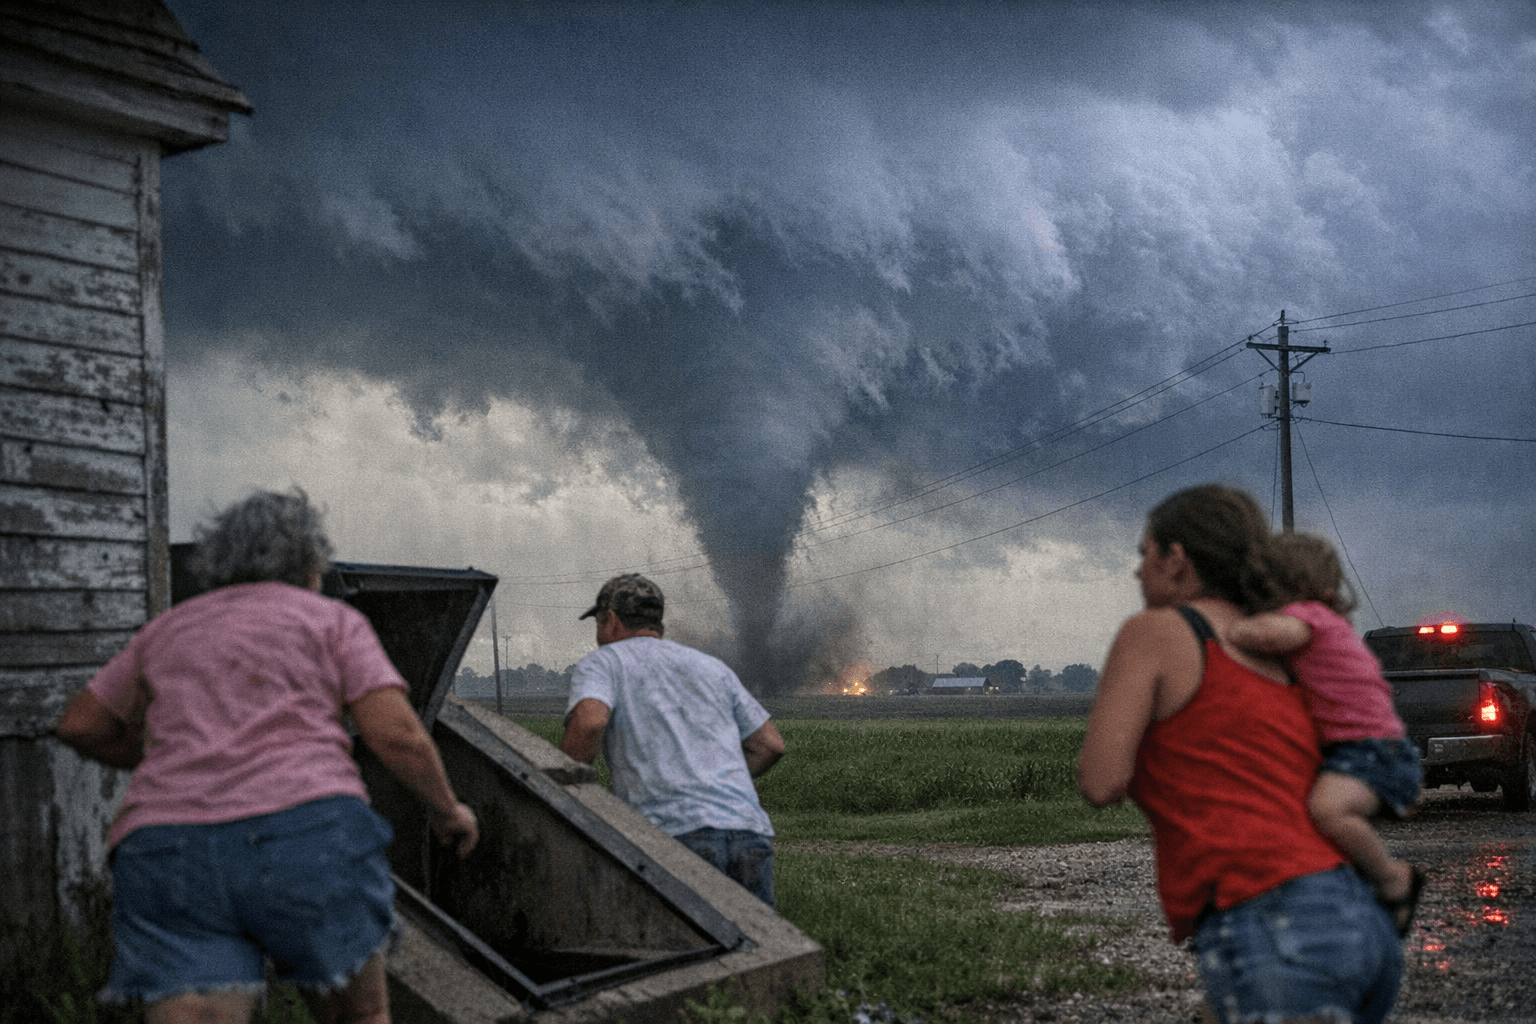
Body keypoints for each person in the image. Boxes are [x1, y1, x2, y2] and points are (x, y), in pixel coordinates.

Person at [54, 489, 479, 1024]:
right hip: (306, 838)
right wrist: (447, 810)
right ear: (310, 564)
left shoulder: (168, 629)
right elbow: (396, 735)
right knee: (360, 1017)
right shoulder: (329, 621)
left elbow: (78, 725)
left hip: (168, 851)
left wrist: (169, 759)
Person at [1077, 484, 1401, 1024]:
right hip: (1357, 920)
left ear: (1177, 559)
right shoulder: (1284, 647)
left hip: (1272, 923)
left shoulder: (1155, 633)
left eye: (1145, 553)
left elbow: (1101, 780)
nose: (1138, 572)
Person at [1227, 532, 1425, 936]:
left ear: (1281, 581)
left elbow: (1267, 637)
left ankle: (1393, 879)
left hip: (1369, 751)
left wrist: (1230, 627)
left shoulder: (1308, 617)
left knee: (1328, 812)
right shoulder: (1333, 621)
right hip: (1372, 748)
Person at [559, 574, 785, 907]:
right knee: (759, 951)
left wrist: (559, 791)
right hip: (748, 832)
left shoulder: (604, 661)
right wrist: (709, 780)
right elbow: (770, 745)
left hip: (673, 836)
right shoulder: (712, 667)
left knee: (685, 955)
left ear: (611, 620)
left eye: (598, 622)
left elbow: (591, 723)